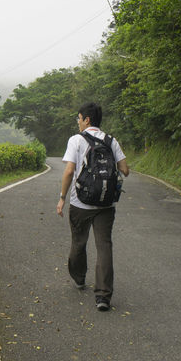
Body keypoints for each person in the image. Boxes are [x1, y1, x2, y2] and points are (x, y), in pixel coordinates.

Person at [56, 102, 129, 311]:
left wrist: (62, 197)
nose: (78, 122)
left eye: (79, 118)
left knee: (79, 242)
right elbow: (125, 169)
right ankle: (103, 296)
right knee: (104, 246)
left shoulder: (76, 140)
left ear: (86, 119)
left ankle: (79, 278)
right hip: (106, 203)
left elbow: (69, 171)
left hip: (80, 202)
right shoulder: (110, 140)